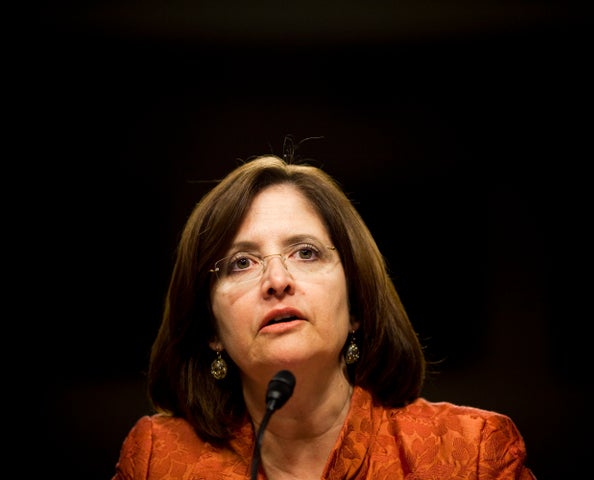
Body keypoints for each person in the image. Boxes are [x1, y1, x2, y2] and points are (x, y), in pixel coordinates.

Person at [111, 146, 537, 480]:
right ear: (211, 330)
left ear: (356, 306)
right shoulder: (156, 460)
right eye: (241, 262)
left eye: (306, 253)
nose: (277, 280)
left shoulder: (471, 454)